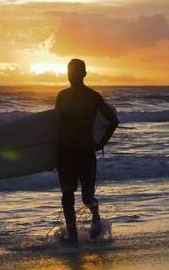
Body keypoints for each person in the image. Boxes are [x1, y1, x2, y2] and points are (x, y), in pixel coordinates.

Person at [55, 58, 118, 245]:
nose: (71, 74)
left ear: (84, 74)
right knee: (67, 196)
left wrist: (99, 144)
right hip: (65, 152)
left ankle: (95, 214)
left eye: (75, 71)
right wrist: (51, 155)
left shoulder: (92, 97)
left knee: (87, 197)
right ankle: (73, 235)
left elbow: (113, 121)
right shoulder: (62, 96)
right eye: (69, 70)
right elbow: (55, 127)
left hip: (85, 152)